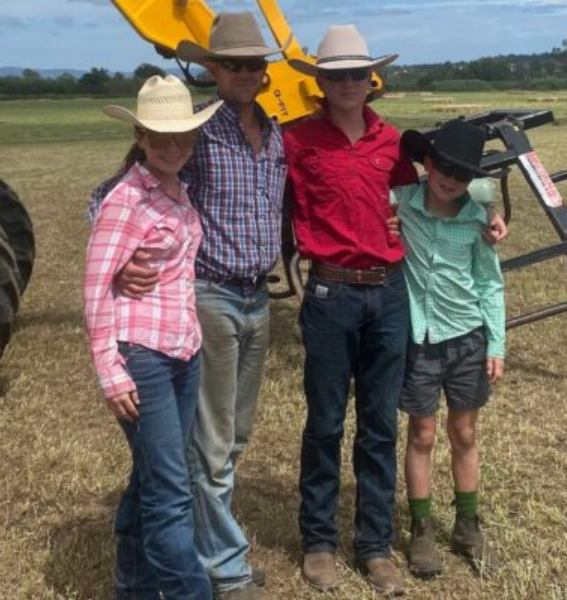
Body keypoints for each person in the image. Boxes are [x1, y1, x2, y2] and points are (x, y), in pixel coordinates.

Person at [89, 13, 288, 600]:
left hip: (259, 296)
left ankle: (158, 567)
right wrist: (122, 260)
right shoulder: (195, 133)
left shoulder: (274, 133)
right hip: (208, 297)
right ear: (212, 69)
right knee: (212, 443)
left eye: (255, 63)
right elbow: (107, 196)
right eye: (234, 63)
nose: (247, 73)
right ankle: (222, 566)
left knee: (234, 435)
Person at [284, 25, 417, 595]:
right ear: (321, 82)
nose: (347, 83)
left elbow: (433, 203)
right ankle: (318, 542)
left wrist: (486, 218)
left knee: (381, 425)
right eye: (336, 75)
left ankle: (373, 544)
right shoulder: (295, 140)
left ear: (371, 79)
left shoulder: (395, 143)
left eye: (356, 74)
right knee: (325, 423)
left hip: (389, 294)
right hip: (331, 294)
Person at [84, 75, 222, 600]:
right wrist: (108, 368)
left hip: (183, 353)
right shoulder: (126, 199)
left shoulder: (177, 192)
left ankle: (133, 589)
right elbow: (96, 286)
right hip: (141, 359)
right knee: (170, 492)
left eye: (182, 136)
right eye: (159, 136)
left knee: (152, 481)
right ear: (140, 137)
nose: (172, 146)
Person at [390, 119, 505, 579]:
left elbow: (489, 284)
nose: (450, 180)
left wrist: (496, 341)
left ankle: (467, 524)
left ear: (471, 180)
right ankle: (421, 527)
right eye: (444, 168)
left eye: (462, 175)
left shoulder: (478, 219)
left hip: (467, 336)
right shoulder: (403, 204)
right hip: (421, 341)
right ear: (428, 163)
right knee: (421, 435)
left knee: (465, 433)